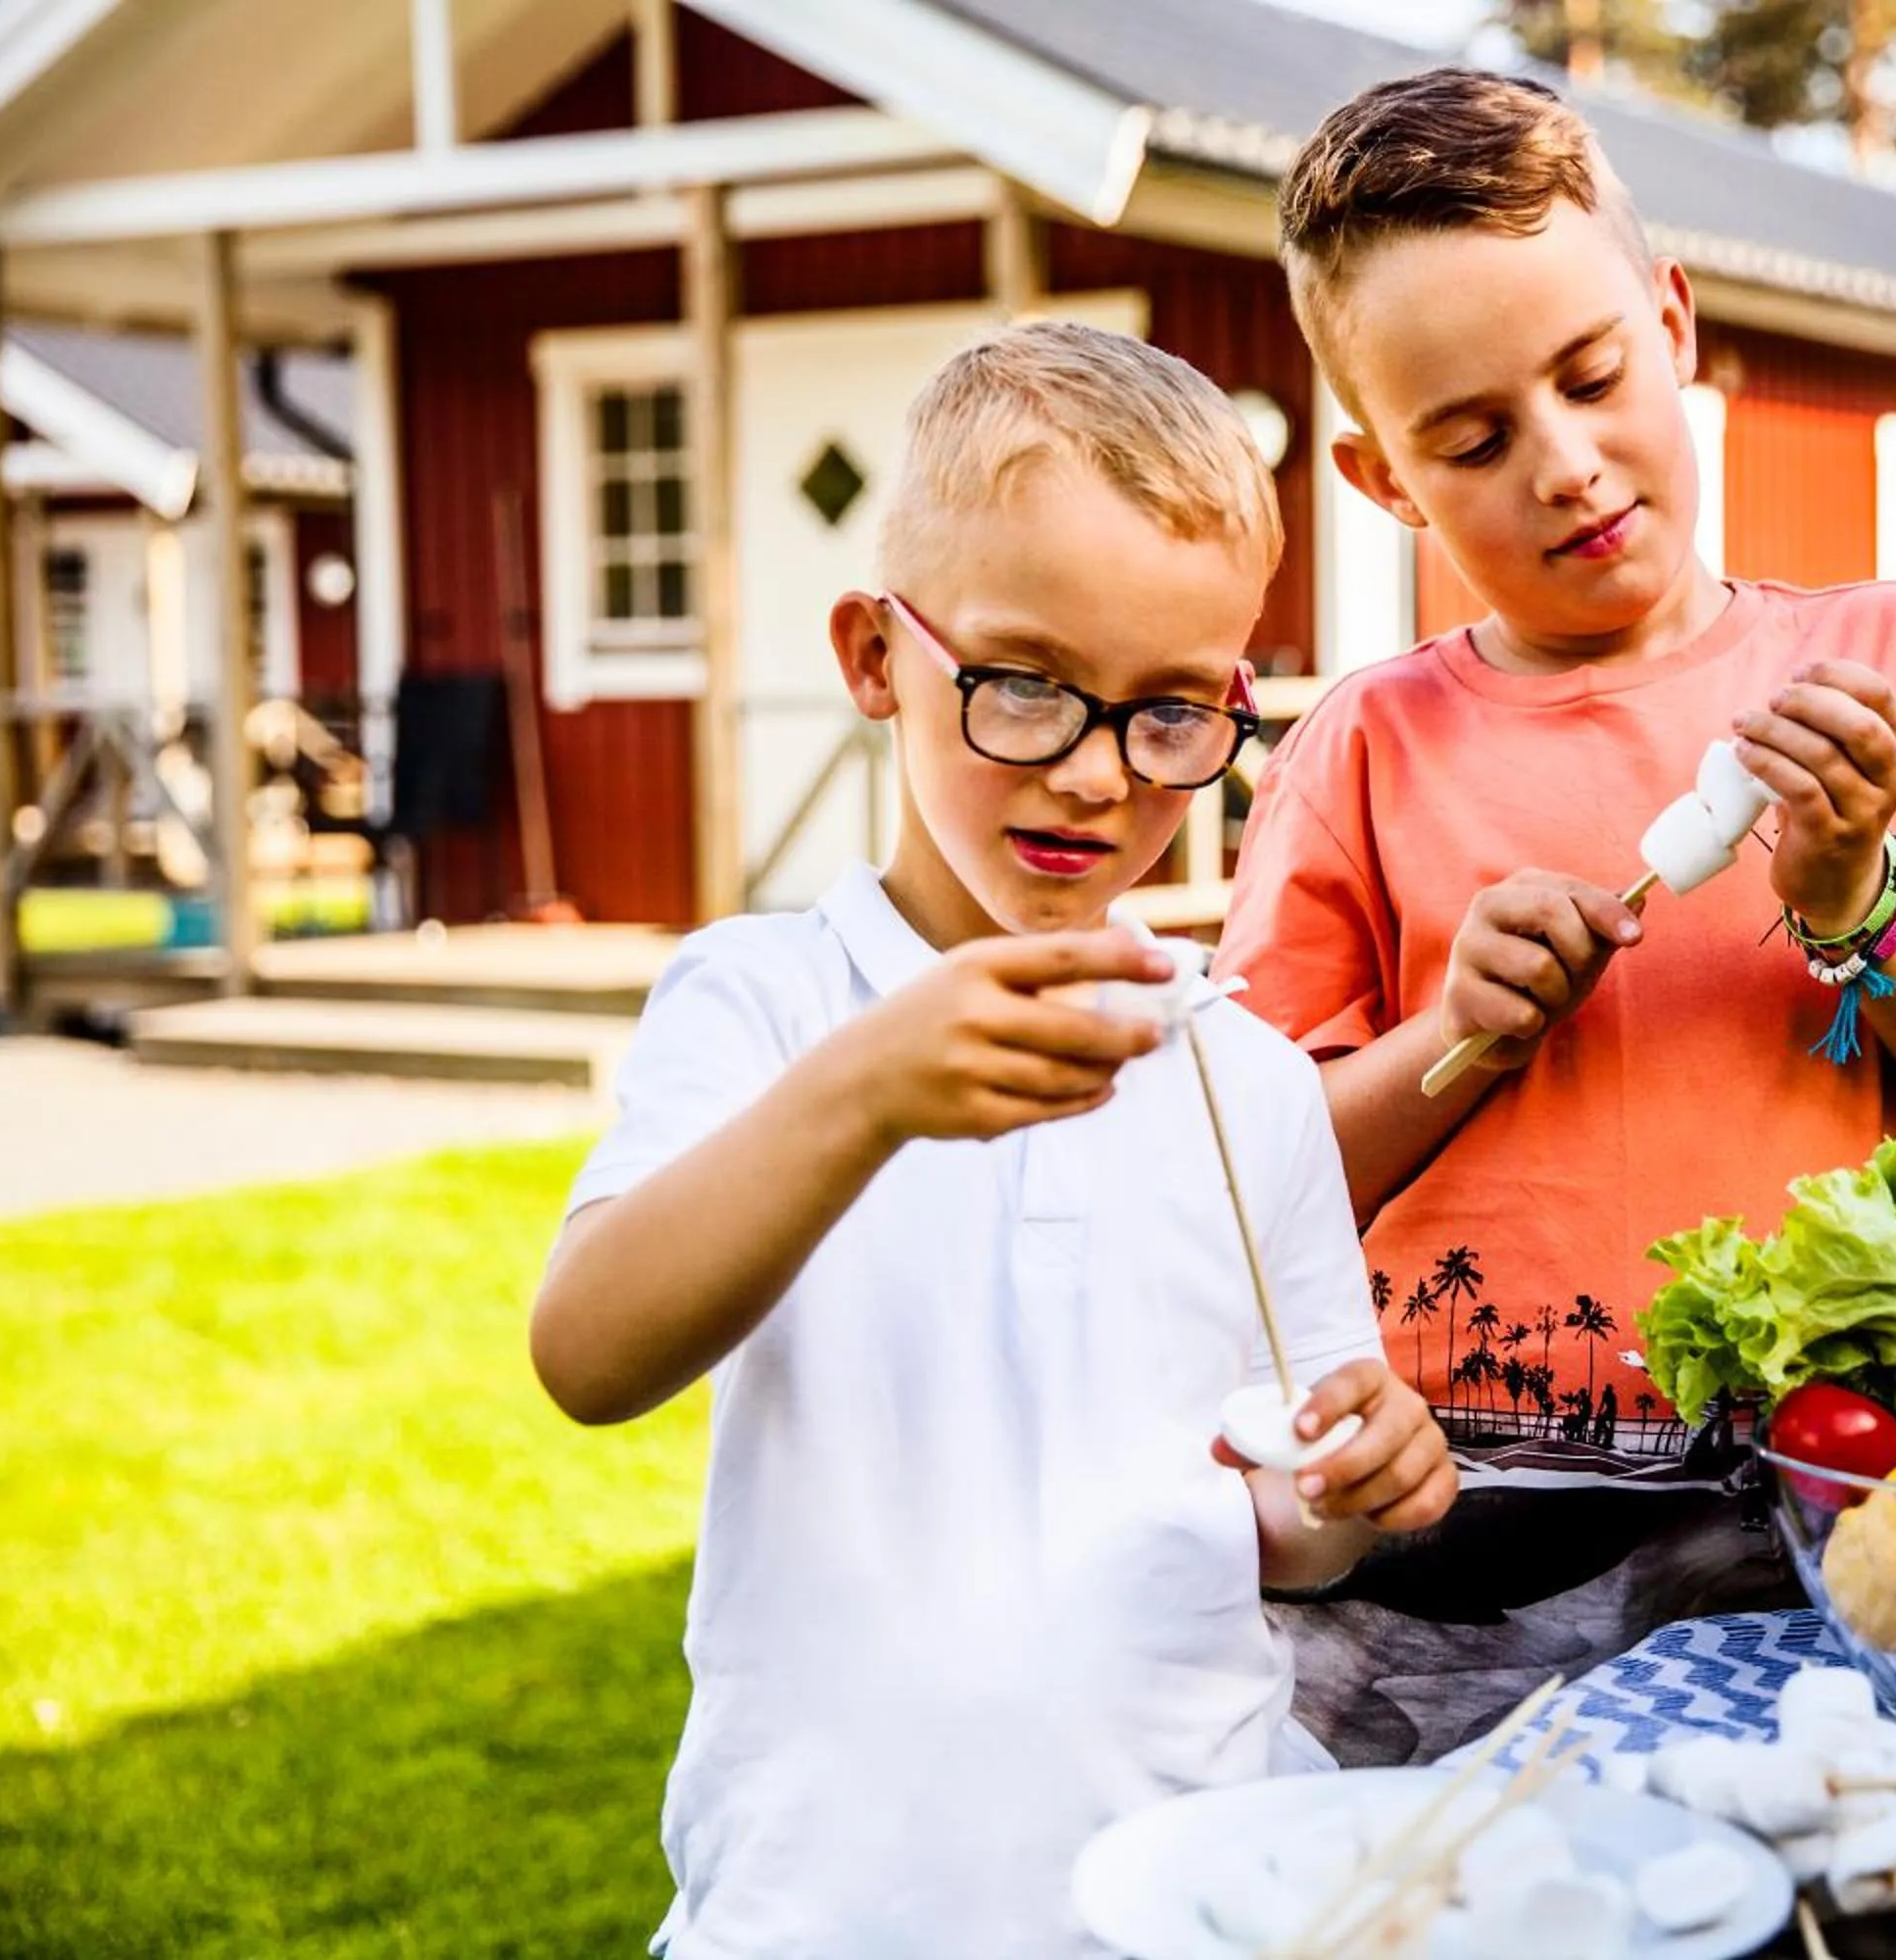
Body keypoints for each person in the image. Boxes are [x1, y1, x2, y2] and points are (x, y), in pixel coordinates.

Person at [1211, 67, 1896, 1767]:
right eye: (1473, 440)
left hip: (1843, 1522)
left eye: (1593, 376)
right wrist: (1456, 1038)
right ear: (1381, 475)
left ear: (1675, 322)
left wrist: (1866, 906)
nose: (1564, 464)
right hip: (1446, 1556)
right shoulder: (1362, 746)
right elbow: (1246, 1193)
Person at [528, 320, 1456, 1958]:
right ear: (878, 656)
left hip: (1198, 1893)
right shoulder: (767, 1005)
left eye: (1174, 714)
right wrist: (867, 1088)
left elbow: (1292, 1536)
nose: (1100, 776)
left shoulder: (1245, 1079)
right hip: (823, 1909)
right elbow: (589, 1354)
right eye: (1026, 685)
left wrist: (1356, 1480)